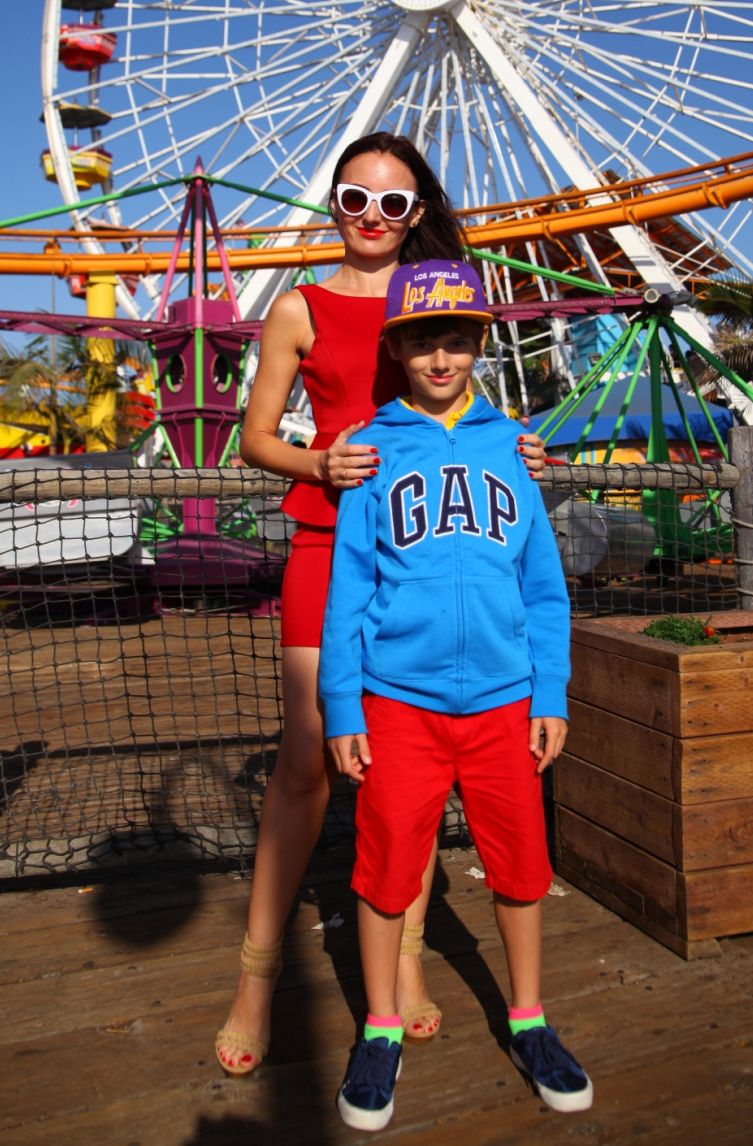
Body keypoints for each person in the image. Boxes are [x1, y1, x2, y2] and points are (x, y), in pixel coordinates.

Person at [215, 135, 546, 1074]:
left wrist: (519, 450)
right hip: (331, 545)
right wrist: (318, 462)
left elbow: (469, 411)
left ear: (414, 213)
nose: (372, 217)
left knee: (406, 763)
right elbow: (253, 438)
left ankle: (399, 961)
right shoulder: (299, 308)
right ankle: (258, 975)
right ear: (334, 203)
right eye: (355, 197)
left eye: (393, 204)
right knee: (308, 762)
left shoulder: (439, 302)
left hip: (427, 550)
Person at [320, 260, 592, 1131]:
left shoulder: (513, 449)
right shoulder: (371, 453)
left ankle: (530, 1018)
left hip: (506, 701)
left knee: (519, 866)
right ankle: (382, 1027)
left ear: (481, 344)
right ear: (397, 349)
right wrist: (342, 704)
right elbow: (349, 589)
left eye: (458, 339)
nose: (441, 357)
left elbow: (545, 586)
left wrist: (550, 688)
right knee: (387, 868)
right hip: (398, 701)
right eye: (424, 341)